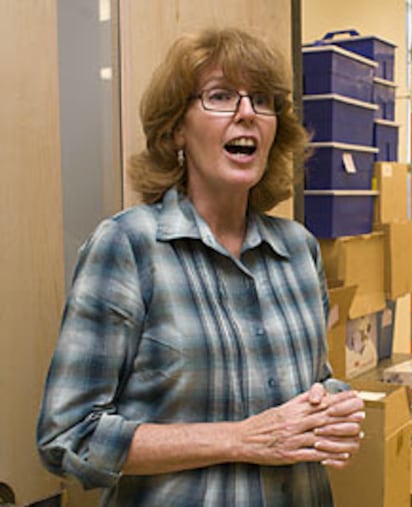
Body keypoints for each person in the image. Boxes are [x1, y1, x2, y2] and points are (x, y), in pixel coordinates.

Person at [37, 27, 365, 506]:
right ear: (176, 130)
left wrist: (335, 406)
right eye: (220, 96)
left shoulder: (299, 250)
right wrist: (240, 439)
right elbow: (68, 435)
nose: (247, 112)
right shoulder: (128, 247)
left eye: (263, 100)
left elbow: (314, 382)